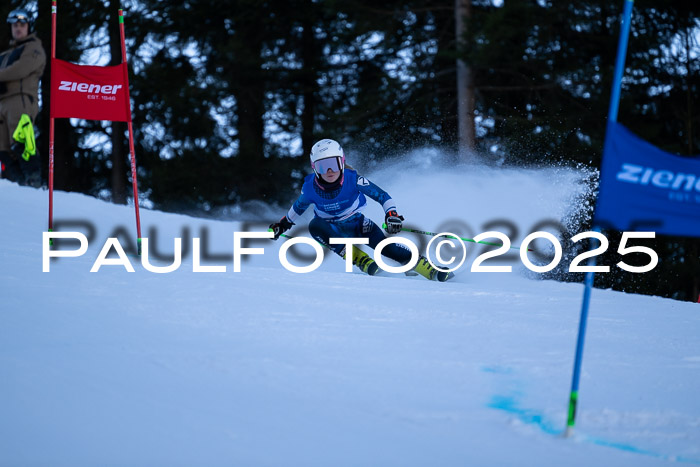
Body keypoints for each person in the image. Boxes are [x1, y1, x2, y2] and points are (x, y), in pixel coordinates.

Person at [269, 138, 450, 281]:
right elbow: (297, 208)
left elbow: (382, 196)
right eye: (323, 166)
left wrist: (391, 214)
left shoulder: (353, 179)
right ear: (315, 168)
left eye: (334, 163)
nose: (330, 170)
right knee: (315, 225)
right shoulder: (310, 188)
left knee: (387, 249)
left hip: (357, 224)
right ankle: (358, 258)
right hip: (330, 229)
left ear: (342, 162)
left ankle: (427, 268)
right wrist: (282, 225)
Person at [0, 8, 46, 187]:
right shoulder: (6, 55)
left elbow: (22, 69)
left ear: (28, 27)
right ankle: (21, 184)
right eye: (14, 25)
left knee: (22, 140)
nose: (18, 29)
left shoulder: (33, 48)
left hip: (21, 100)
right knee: (3, 149)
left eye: (22, 25)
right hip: (2, 103)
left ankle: (33, 181)